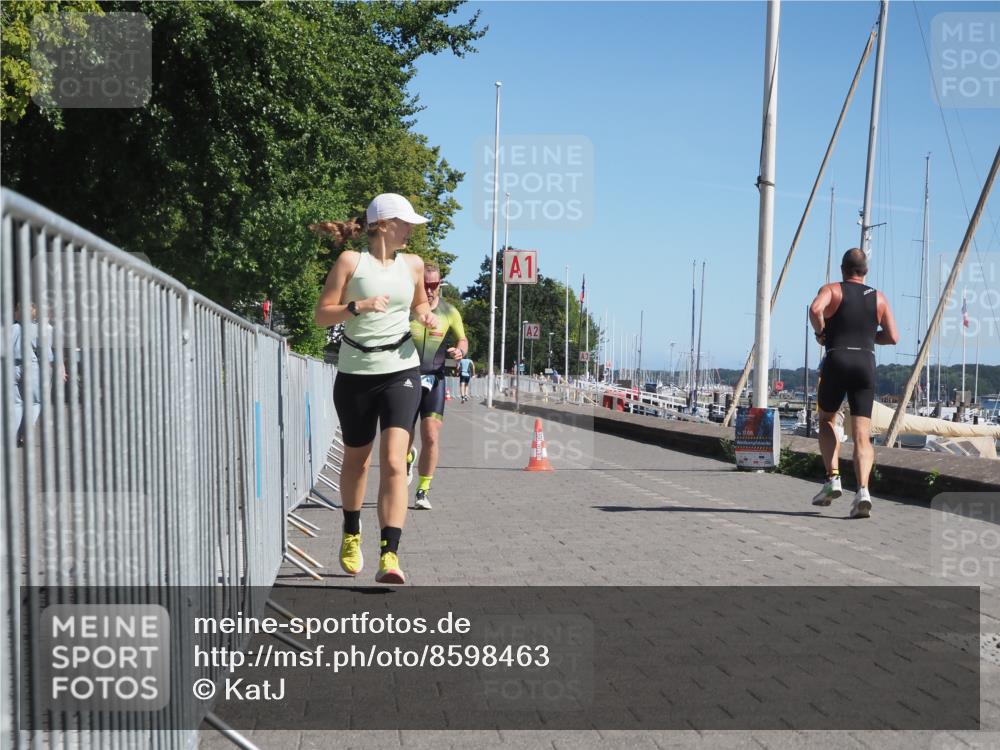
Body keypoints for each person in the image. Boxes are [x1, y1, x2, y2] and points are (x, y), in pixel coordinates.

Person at [312, 193, 438, 584]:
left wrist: (426, 316)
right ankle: (351, 531)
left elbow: (419, 304)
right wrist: (357, 307)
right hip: (355, 373)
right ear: (383, 224)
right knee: (358, 460)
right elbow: (321, 315)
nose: (411, 229)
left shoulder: (413, 265)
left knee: (395, 461)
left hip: (401, 369)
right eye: (406, 222)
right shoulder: (351, 262)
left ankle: (390, 555)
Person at [808, 248, 898, 519]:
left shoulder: (832, 290)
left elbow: (815, 309)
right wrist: (870, 337)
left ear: (842, 269)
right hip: (865, 364)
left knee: (826, 419)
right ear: (865, 271)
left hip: (837, 359)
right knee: (862, 434)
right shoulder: (878, 297)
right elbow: (893, 337)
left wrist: (822, 332)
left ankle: (832, 478)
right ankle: (863, 491)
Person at [405, 262, 468, 510]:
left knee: (430, 434)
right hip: (406, 378)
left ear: (440, 284)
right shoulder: (407, 308)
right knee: (404, 437)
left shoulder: (449, 311)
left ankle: (423, 490)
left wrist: (460, 351)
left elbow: (462, 339)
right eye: (425, 285)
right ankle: (408, 456)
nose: (430, 290)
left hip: (435, 378)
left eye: (434, 285)